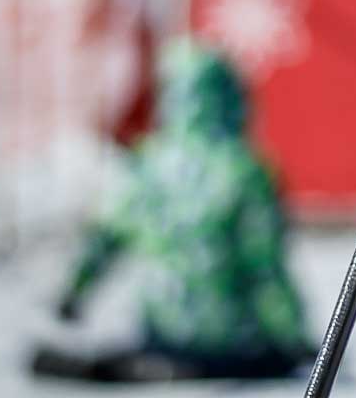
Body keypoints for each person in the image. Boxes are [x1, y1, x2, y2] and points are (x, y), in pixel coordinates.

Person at [30, 40, 312, 385]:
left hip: (162, 336)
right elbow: (265, 268)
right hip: (235, 344)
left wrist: (72, 297)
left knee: (148, 354)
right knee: (259, 359)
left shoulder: (146, 167)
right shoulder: (245, 171)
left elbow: (102, 242)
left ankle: (133, 365)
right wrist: (294, 338)